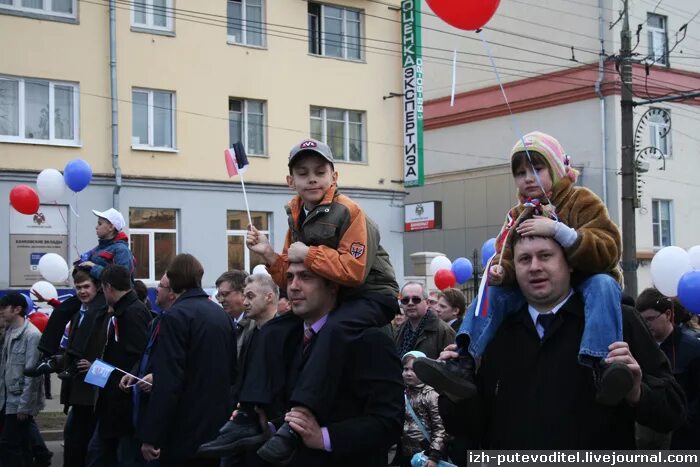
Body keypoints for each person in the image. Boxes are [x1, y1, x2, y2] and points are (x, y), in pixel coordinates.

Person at [415, 131, 631, 406]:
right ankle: (463, 363)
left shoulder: (581, 200)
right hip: (537, 290)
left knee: (603, 285)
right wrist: (502, 271)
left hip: (587, 279)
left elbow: (610, 247)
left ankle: (605, 366)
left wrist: (559, 231)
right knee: (488, 293)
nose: (528, 178)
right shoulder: (517, 214)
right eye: (520, 173)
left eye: (537, 168)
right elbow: (505, 253)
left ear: (554, 168)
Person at [227, 138, 399, 464]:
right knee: (274, 330)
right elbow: (294, 273)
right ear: (290, 180)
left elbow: (355, 271)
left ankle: (299, 417)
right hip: (340, 295)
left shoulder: (350, 212)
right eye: (303, 173)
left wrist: (310, 253)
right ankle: (249, 413)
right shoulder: (296, 215)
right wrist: (267, 254)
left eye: (320, 172)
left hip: (372, 295)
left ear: (335, 176)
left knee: (335, 329)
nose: (312, 179)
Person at [435, 230, 685, 448]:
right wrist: (455, 395)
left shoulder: (618, 319)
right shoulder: (491, 330)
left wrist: (636, 392)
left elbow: (672, 411)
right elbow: (468, 428)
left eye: (545, 256)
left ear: (570, 263)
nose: (534, 266)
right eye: (524, 259)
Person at [138, 254, 237, 466]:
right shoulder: (221, 315)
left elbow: (168, 381)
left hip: (182, 430)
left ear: (173, 281)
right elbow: (231, 372)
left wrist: (151, 435)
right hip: (216, 427)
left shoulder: (175, 316)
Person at [25, 207, 135, 378]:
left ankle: (74, 362)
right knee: (62, 311)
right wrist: (81, 265)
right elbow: (86, 268)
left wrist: (94, 267)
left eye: (100, 224)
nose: (96, 227)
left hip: (107, 295)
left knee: (90, 315)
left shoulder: (121, 250)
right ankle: (46, 357)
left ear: (111, 227)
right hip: (94, 292)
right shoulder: (99, 248)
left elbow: (122, 278)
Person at [86, 264, 150, 467]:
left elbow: (135, 359)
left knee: (114, 456)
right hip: (112, 402)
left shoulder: (132, 313)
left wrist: (101, 372)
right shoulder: (122, 311)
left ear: (108, 287)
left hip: (122, 404)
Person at [119, 273, 178, 459]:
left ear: (171, 293)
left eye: (161, 286)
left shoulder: (178, 323)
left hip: (159, 410)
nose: (156, 289)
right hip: (141, 405)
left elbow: (178, 364)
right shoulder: (156, 321)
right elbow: (146, 354)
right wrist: (134, 373)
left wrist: (156, 376)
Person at [635, 288, 700, 449]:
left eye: (650, 319)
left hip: (683, 439)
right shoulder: (639, 348)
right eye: (641, 320)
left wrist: (679, 420)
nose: (646, 325)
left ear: (668, 315)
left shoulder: (693, 350)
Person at [60, 268, 110, 467]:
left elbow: (111, 356)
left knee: (87, 449)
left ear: (97, 288)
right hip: (77, 394)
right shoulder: (78, 315)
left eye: (86, 286)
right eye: (78, 287)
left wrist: (94, 369)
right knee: (74, 446)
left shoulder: (105, 317)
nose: (82, 291)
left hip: (94, 397)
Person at [0, 293, 45, 466]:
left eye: (4, 308)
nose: (1, 312)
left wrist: (25, 406)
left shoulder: (31, 335)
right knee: (23, 444)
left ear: (17, 309)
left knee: (8, 444)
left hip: (19, 401)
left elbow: (32, 375)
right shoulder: (10, 331)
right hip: (7, 398)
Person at [398, 351, 446, 467]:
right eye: (405, 369)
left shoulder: (431, 395)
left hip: (425, 453)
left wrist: (434, 456)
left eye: (413, 370)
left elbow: (440, 428)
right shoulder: (403, 393)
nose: (408, 373)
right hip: (405, 452)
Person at [394, 282, 456, 359]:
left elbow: (451, 366)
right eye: (405, 300)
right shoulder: (399, 330)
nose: (410, 303)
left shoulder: (444, 331)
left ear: (426, 303)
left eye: (416, 299)